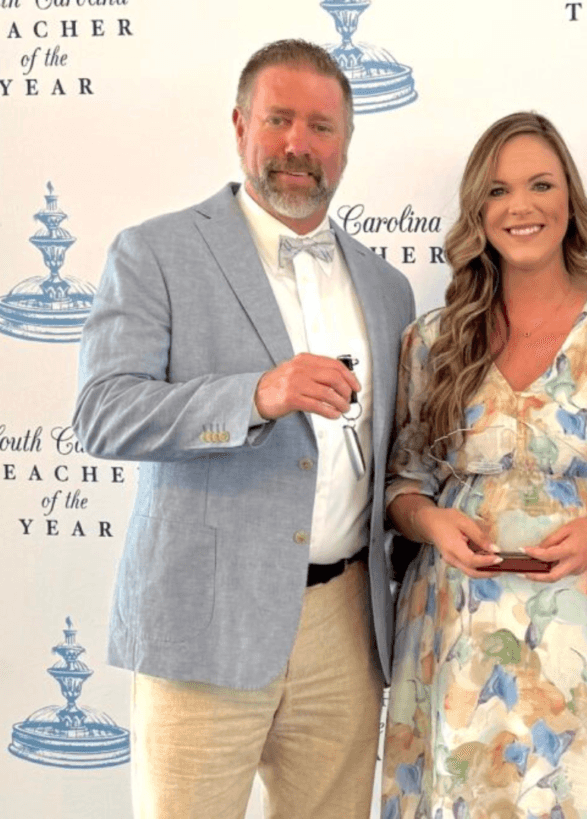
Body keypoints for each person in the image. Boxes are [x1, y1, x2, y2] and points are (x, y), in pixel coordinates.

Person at [73, 39, 414, 819]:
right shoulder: (154, 252)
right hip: (201, 624)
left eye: (321, 126)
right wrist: (256, 395)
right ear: (239, 125)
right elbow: (102, 413)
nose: (299, 144)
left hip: (344, 625)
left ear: (347, 144)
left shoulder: (388, 288)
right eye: (280, 119)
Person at [380, 112, 587, 819]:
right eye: (498, 190)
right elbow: (402, 481)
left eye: (540, 184)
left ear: (570, 202)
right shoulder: (433, 339)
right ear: (476, 211)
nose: (520, 206)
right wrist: (429, 520)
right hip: (456, 635)